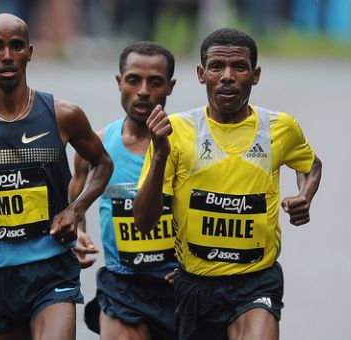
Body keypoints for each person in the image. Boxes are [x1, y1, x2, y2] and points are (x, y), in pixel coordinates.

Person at [0, 13, 113, 340]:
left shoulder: (62, 115)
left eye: (16, 46)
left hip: (51, 269)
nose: (7, 57)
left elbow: (103, 163)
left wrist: (76, 209)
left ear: (30, 51)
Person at [133, 28, 322, 340]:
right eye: (217, 67)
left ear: (255, 75)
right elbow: (143, 221)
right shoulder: (175, 131)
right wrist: (159, 157)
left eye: (239, 67)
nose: (228, 77)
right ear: (201, 74)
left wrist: (305, 194)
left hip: (257, 281)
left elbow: (310, 164)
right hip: (196, 285)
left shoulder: (280, 128)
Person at [69, 41, 178, 340]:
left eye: (155, 82)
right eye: (133, 80)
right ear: (119, 82)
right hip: (122, 285)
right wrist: (79, 231)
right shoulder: (97, 145)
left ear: (170, 87)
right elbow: (76, 203)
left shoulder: (186, 144)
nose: (143, 90)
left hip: (179, 284)